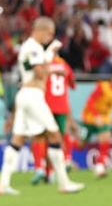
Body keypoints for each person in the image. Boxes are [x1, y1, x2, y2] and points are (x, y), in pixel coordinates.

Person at [0, 18, 85, 195]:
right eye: (50, 34)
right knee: (54, 134)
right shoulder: (34, 46)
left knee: (18, 139)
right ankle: (64, 183)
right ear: (42, 30)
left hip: (24, 95)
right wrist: (53, 66)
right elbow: (39, 71)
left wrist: (49, 55)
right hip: (33, 95)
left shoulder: (29, 47)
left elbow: (36, 67)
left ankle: (2, 183)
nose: (50, 38)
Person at [31, 54, 78, 185]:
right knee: (57, 139)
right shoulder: (64, 64)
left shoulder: (42, 63)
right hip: (62, 106)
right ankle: (56, 168)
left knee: (39, 137)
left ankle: (40, 167)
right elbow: (72, 84)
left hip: (45, 104)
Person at [80, 66, 112, 178]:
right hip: (89, 117)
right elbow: (90, 102)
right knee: (80, 144)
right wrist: (96, 116)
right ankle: (66, 158)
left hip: (104, 119)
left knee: (106, 137)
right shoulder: (102, 87)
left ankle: (100, 166)